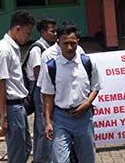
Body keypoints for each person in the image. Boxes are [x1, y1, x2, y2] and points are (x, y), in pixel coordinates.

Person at [39, 23, 100, 163]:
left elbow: (95, 87)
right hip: (61, 118)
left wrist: (87, 103)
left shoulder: (88, 62)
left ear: (78, 42)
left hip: (84, 118)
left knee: (87, 158)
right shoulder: (51, 66)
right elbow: (48, 96)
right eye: (65, 43)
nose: (69, 47)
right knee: (60, 160)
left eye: (73, 43)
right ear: (58, 42)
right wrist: (48, 122)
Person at [0, 9, 36, 163]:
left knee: (25, 146)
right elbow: (0, 83)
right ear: (18, 28)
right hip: (11, 107)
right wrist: (4, 116)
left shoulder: (13, 47)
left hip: (18, 106)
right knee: (17, 152)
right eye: (27, 33)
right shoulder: (4, 50)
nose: (28, 37)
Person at [26, 18, 58, 163]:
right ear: (43, 31)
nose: (55, 33)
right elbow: (39, 74)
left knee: (41, 127)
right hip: (40, 90)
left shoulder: (47, 47)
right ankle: (41, 160)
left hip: (45, 90)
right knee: (44, 127)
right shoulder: (37, 49)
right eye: (52, 31)